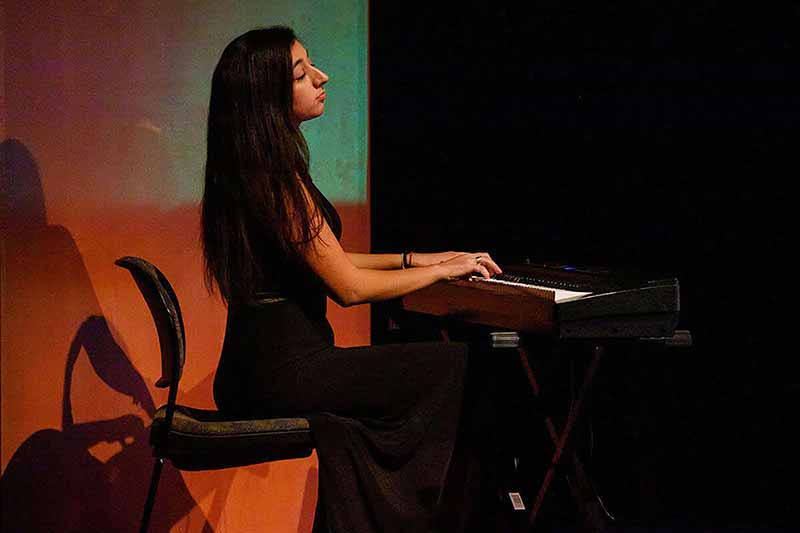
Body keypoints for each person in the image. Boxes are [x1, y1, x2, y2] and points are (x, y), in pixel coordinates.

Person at [202, 27, 501, 533]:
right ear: (266, 97)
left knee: (429, 374)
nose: (322, 77)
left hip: (264, 371)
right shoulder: (272, 181)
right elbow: (349, 289)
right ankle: (425, 517)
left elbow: (332, 259)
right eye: (301, 74)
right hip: (282, 374)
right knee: (455, 365)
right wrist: (443, 272)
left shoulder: (263, 170)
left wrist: (420, 259)